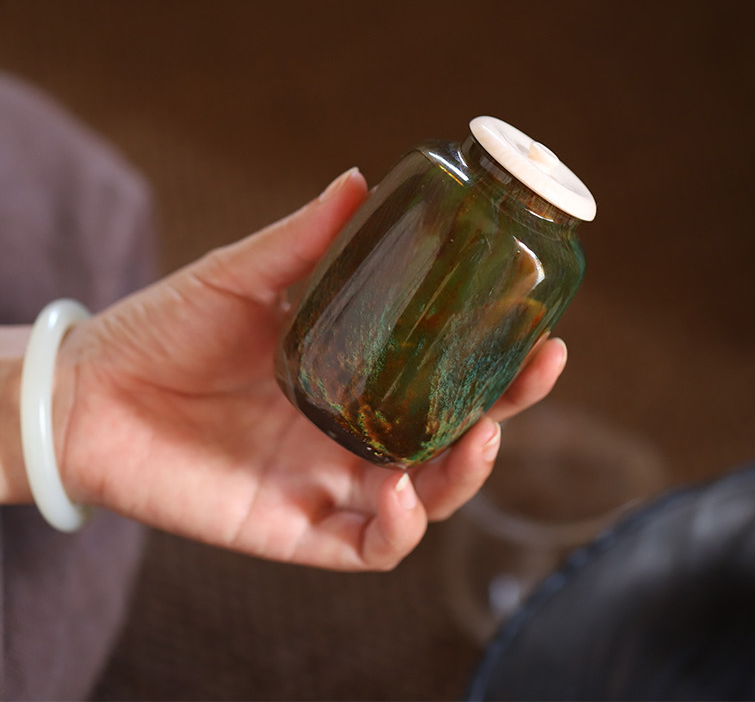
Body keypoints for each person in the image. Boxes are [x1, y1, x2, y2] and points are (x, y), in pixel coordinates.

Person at [0, 73, 568, 699]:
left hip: (97, 400)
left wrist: (72, 401)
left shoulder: (532, 249)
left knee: (88, 194)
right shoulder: (442, 176)